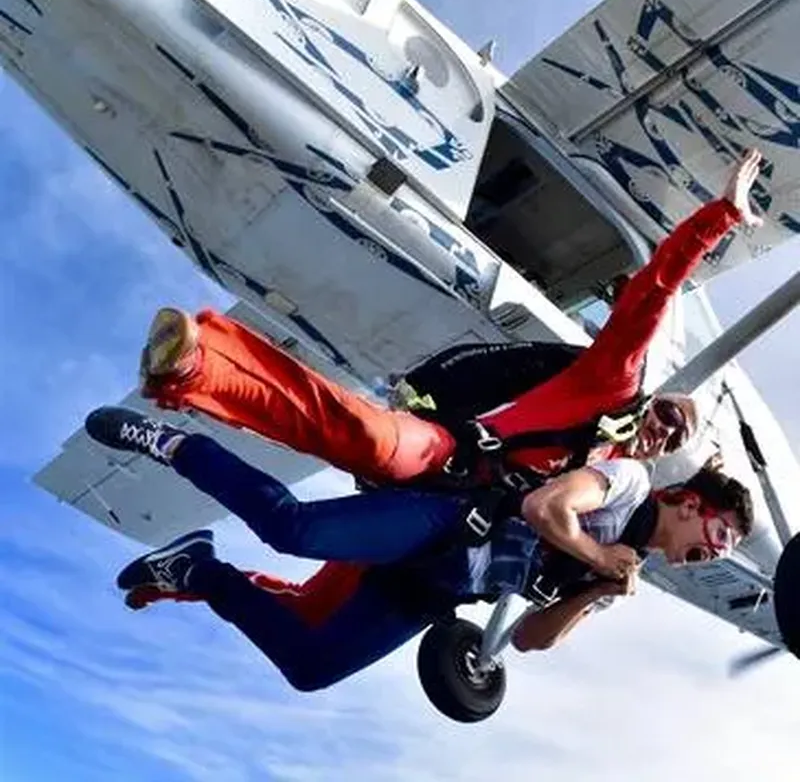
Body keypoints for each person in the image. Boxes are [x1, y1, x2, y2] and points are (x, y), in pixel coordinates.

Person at [134, 149, 763, 484]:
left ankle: (184, 511)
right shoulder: (614, 383)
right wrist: (722, 216)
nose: (666, 430)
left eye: (675, 436)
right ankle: (197, 367)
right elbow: (653, 289)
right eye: (668, 413)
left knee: (312, 622)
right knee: (364, 437)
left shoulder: (600, 487)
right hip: (444, 450)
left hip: (449, 510)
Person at [86, 406, 753, 692]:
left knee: (312, 668)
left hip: (438, 586)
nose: (711, 553)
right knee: (292, 529)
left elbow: (528, 642)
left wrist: (600, 589)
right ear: (692, 503)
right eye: (718, 537)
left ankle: (198, 568)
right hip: (443, 526)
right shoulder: (629, 482)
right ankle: (172, 444)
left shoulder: (622, 570)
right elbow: (545, 507)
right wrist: (598, 555)